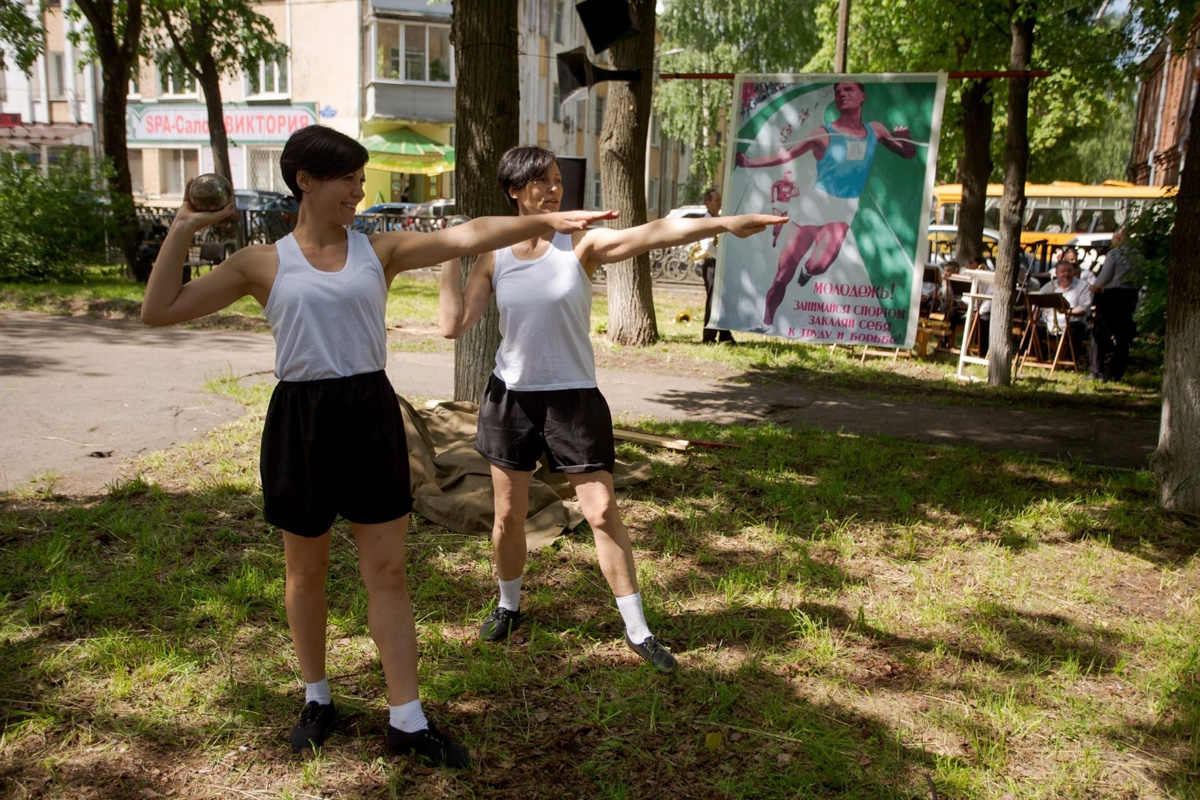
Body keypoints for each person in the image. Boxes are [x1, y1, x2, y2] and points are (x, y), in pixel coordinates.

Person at [140, 126, 614, 767]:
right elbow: (159, 310)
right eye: (348, 180)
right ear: (305, 180)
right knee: (305, 571)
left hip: (369, 413)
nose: (359, 192)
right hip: (300, 421)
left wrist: (552, 218)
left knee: (387, 572)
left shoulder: (379, 250)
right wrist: (184, 227)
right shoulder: (263, 261)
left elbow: (466, 236)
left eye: (362, 180)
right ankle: (317, 698)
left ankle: (408, 719)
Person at [438, 146, 783, 672]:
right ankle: (509, 604)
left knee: (600, 512)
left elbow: (652, 233)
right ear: (514, 191)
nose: (554, 190)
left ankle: (639, 630)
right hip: (511, 398)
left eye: (557, 180)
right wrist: (449, 256)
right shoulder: (494, 255)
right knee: (508, 515)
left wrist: (726, 223)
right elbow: (453, 325)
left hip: (573, 398)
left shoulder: (579, 243)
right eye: (540, 182)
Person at [735, 81, 918, 330]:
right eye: (838, 91)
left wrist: (905, 139)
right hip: (812, 207)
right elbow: (785, 155)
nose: (842, 94)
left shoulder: (875, 130)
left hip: (842, 211)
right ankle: (766, 323)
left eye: (849, 90)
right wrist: (749, 163)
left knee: (819, 264)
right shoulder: (822, 134)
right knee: (780, 278)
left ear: (862, 96)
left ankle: (808, 272)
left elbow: (907, 153)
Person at [1089, 228, 1139, 381]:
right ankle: (1117, 373)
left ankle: (1096, 371)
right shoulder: (1138, 255)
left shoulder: (1114, 253)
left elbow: (1105, 276)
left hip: (1112, 296)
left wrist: (1094, 287)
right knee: (1123, 335)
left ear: (1118, 238)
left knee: (1099, 330)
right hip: (1130, 295)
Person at [698, 186, 736, 344]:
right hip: (712, 264)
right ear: (707, 203)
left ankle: (724, 335)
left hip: (715, 263)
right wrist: (723, 256)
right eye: (717, 200)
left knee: (720, 299)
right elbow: (706, 246)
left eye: (721, 200)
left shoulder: (715, 218)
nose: (720, 203)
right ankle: (709, 337)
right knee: (714, 300)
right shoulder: (707, 220)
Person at [1038, 259, 1091, 360]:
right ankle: (1041, 357)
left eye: (1069, 271)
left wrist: (1066, 312)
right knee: (1031, 325)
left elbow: (1084, 309)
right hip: (1049, 324)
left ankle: (1070, 360)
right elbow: (1037, 303)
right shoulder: (1049, 286)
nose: (1066, 274)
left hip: (1071, 323)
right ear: (1057, 273)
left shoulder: (1083, 286)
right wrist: (1034, 313)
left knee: (1075, 329)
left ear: (1073, 272)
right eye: (1063, 271)